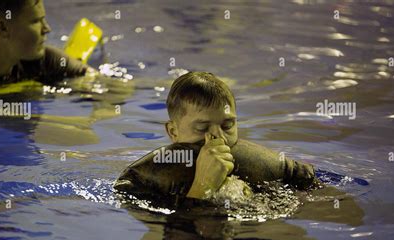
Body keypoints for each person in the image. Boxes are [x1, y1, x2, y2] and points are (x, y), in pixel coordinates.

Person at [114, 72, 318, 204]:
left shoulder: (272, 168)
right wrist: (203, 186)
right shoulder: (148, 179)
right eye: (202, 127)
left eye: (228, 125)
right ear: (173, 132)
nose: (218, 136)